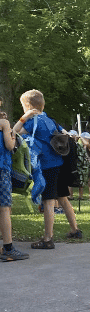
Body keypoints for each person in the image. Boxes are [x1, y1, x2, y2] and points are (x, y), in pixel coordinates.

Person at [14, 89, 82, 248]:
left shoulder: (32, 122)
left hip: (46, 166)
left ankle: (47, 239)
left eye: (23, 106)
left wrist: (24, 117)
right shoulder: (50, 120)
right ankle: (75, 230)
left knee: (48, 201)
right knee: (63, 198)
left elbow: (14, 133)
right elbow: (66, 134)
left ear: (28, 106)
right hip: (59, 164)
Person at [0, 108, 29, 261]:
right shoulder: (3, 123)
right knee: (4, 209)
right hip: (2, 169)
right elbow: (10, 146)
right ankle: (8, 248)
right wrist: (12, 136)